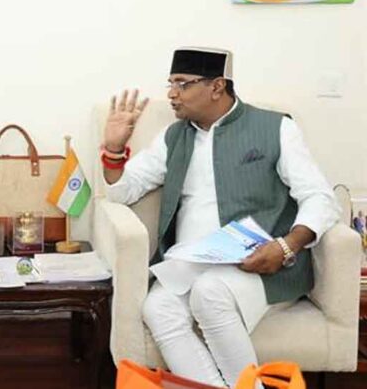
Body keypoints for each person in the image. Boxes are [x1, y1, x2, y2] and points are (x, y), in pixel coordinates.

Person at [101, 47, 340, 388]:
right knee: (158, 308)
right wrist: (113, 149)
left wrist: (286, 247)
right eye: (171, 83)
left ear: (216, 87)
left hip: (259, 264)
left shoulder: (276, 128)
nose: (172, 94)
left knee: (209, 293)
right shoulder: (174, 137)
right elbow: (123, 191)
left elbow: (319, 197)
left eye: (183, 84)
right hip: (190, 263)